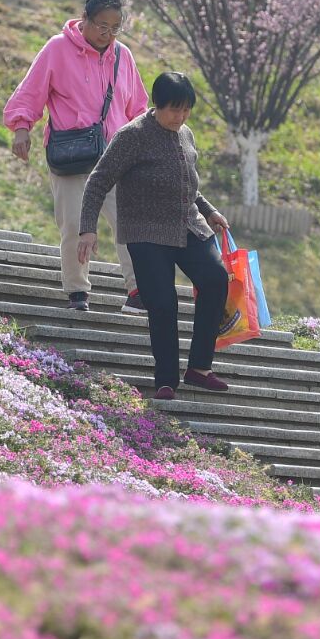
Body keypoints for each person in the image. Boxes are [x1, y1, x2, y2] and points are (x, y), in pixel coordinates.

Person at [76, 72, 231, 399]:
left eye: (186, 110)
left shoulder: (185, 134)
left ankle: (199, 368)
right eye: (174, 109)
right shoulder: (132, 136)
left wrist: (209, 211)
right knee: (162, 303)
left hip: (188, 226)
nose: (181, 117)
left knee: (216, 279)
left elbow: (188, 184)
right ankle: (166, 380)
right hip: (146, 233)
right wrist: (88, 229)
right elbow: (98, 182)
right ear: (157, 105)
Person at [4, 0, 149, 311]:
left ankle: (138, 290)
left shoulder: (123, 56)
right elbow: (30, 92)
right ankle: (77, 291)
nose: (107, 34)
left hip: (115, 157)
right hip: (70, 155)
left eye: (114, 28)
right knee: (72, 224)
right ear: (84, 19)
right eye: (101, 26)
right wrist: (22, 128)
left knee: (130, 222)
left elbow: (138, 108)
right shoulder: (57, 48)